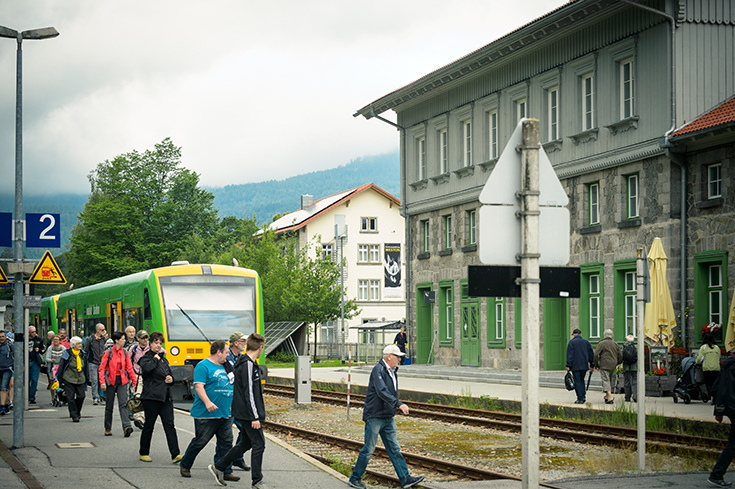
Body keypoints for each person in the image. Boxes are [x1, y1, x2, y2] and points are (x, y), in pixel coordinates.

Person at [347, 344, 425, 489]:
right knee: (369, 448)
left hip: (387, 416)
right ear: (389, 356)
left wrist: (393, 407)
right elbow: (382, 391)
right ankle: (355, 478)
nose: (400, 360)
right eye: (398, 357)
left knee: (394, 448)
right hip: (375, 416)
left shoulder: (393, 371)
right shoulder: (378, 370)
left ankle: (405, 478)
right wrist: (399, 404)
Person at [209, 333, 268, 488]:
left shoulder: (245, 362)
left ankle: (219, 466)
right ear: (260, 347)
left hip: (243, 411)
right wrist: (255, 417)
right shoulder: (248, 364)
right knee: (259, 444)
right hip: (248, 413)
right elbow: (248, 392)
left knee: (246, 443)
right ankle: (257, 480)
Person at [179, 340, 239, 482]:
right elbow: (199, 386)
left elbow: (233, 384)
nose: (227, 355)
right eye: (226, 352)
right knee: (201, 440)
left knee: (226, 442)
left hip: (225, 412)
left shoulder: (227, 366)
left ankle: (224, 469)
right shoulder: (203, 366)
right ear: (218, 352)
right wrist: (207, 402)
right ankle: (185, 464)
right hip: (206, 413)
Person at [138, 331, 181, 463]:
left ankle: (175, 454)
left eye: (160, 343)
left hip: (166, 398)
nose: (158, 345)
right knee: (149, 425)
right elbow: (147, 369)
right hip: (151, 397)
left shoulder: (164, 359)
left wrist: (171, 379)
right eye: (156, 343)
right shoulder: (145, 358)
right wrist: (155, 358)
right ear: (150, 344)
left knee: (169, 426)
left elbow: (171, 375)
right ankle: (144, 452)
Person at [99, 331, 137, 437]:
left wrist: (135, 381)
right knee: (109, 406)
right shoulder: (108, 352)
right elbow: (101, 368)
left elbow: (129, 368)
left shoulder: (124, 352)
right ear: (116, 340)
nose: (124, 341)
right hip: (110, 381)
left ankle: (126, 427)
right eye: (122, 339)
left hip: (122, 381)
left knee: (123, 404)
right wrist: (102, 382)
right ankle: (107, 428)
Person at [222, 331, 250, 472]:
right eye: (243, 341)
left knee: (245, 430)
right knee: (225, 434)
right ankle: (223, 463)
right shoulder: (226, 358)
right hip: (229, 401)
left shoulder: (243, 358)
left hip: (239, 401)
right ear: (235, 343)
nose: (245, 343)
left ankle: (237, 457)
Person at [708, 353, 735, 487]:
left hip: (728, 406)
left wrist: (719, 410)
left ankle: (717, 474)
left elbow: (717, 386)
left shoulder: (727, 364)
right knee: (733, 443)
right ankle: (716, 474)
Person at [56, 336, 88, 422]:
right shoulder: (67, 353)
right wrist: (60, 379)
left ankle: (77, 411)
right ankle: (74, 415)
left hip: (80, 378)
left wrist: (87, 378)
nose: (80, 345)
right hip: (69, 378)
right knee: (70, 398)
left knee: (81, 396)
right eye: (78, 344)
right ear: (73, 345)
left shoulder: (83, 354)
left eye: (81, 343)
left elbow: (86, 367)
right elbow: (62, 366)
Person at [566, 328, 594, 404]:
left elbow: (570, 355)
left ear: (574, 335)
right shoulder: (586, 342)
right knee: (582, 381)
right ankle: (583, 396)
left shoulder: (571, 342)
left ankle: (580, 398)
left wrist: (568, 365)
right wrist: (592, 364)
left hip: (575, 366)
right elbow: (591, 354)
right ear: (580, 334)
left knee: (577, 381)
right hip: (584, 366)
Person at [129, 330, 150, 430]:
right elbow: (128, 361)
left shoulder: (152, 347)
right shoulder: (133, 348)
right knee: (138, 396)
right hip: (137, 376)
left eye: (146, 337)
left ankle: (145, 418)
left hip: (150, 376)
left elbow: (163, 353)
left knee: (148, 398)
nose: (145, 339)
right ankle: (139, 419)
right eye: (143, 338)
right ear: (138, 339)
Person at [595, 329, 622, 404]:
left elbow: (596, 354)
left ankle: (610, 398)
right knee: (609, 380)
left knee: (606, 381)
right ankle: (606, 397)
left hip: (604, 364)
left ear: (604, 335)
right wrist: (617, 362)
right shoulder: (615, 344)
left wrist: (596, 365)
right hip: (613, 364)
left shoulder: (602, 343)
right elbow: (620, 355)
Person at [84, 323, 107, 405]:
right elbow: (85, 350)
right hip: (93, 362)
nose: (104, 331)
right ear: (97, 330)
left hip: (102, 363)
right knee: (94, 380)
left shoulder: (104, 339)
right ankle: (95, 397)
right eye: (102, 330)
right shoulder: (90, 339)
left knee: (101, 381)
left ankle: (100, 396)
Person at [697, 332, 722, 397]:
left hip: (707, 368)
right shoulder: (717, 347)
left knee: (708, 383)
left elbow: (699, 358)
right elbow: (719, 357)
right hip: (716, 368)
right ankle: (715, 395)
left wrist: (696, 362)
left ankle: (711, 395)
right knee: (715, 383)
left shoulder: (703, 347)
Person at [27, 326, 46, 404]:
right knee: (26, 381)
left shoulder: (39, 340)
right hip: (26, 362)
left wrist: (39, 350)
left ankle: (32, 397)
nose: (34, 333)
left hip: (35, 362)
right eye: (32, 332)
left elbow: (44, 349)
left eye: (35, 331)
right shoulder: (24, 339)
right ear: (28, 333)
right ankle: (27, 395)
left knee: (34, 380)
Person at [45, 335, 65, 405]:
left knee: (61, 383)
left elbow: (66, 357)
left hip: (60, 368)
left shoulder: (63, 348)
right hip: (52, 368)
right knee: (52, 383)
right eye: (54, 340)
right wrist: (51, 360)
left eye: (57, 340)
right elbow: (47, 358)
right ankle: (53, 397)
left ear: (60, 341)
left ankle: (61, 397)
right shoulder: (50, 348)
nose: (55, 341)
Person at [0, 330, 13, 415]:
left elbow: (16, 355)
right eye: (0, 337)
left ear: (6, 337)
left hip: (7, 369)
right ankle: (5, 405)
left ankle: (2, 407)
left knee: (4, 388)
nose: (1, 338)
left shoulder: (10, 345)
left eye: (3, 336)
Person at [622, 334, 638, 402]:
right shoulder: (637, 347)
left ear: (626, 340)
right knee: (635, 381)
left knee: (627, 381)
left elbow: (621, 356)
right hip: (634, 367)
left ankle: (627, 397)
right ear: (633, 340)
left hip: (626, 367)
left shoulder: (624, 347)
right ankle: (635, 396)